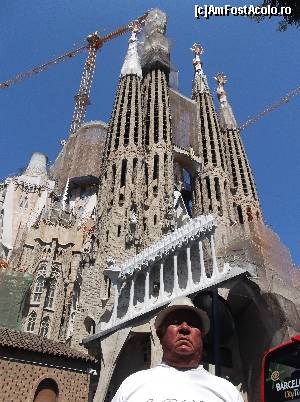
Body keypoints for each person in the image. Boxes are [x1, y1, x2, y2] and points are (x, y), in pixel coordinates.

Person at [112, 296, 244, 402]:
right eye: (175, 322)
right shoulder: (132, 385)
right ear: (160, 334)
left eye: (193, 323)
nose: (185, 328)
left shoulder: (226, 391)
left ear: (202, 336)